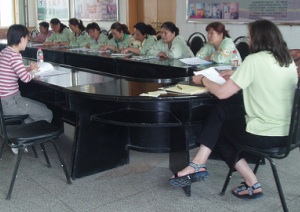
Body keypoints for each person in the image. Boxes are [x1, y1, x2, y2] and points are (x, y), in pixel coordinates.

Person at [168, 19, 298, 199]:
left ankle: (249, 181)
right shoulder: (287, 61)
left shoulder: (254, 60)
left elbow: (221, 93)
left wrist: (203, 80)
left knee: (220, 129)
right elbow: (264, 78)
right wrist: (237, 72)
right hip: (289, 134)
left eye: (250, 36)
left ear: (258, 38)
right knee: (225, 109)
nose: (249, 40)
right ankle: (200, 164)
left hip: (265, 135)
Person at [0, 24, 53, 154]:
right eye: (27, 38)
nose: (28, 41)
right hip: (11, 102)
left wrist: (29, 68)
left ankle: (18, 133)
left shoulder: (5, 51)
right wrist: (34, 73)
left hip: (5, 101)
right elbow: (25, 79)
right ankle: (19, 139)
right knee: (48, 114)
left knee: (42, 106)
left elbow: (14, 70)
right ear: (21, 38)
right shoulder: (15, 55)